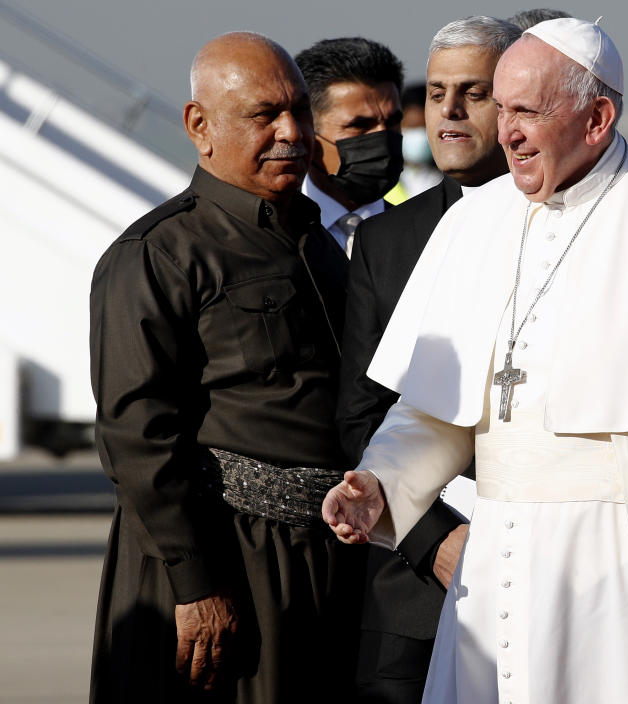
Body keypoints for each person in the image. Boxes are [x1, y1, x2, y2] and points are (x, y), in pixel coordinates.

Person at [325, 18, 628, 704]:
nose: (507, 131)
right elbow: (434, 410)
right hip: (499, 562)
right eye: (503, 108)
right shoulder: (471, 223)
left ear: (597, 117)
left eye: (527, 112)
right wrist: (380, 483)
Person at [89, 32, 361, 703]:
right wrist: (197, 584)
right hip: (229, 562)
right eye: (264, 115)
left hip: (327, 561)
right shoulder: (159, 254)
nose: (292, 133)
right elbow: (136, 436)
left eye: (299, 110)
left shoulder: (317, 243)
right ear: (199, 126)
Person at [337, 16, 520, 703]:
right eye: (438, 91)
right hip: (413, 586)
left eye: (472, 92)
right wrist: (433, 538)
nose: (446, 110)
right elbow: (360, 414)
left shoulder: (586, 230)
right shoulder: (387, 241)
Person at [295, 37, 405, 257]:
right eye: (360, 125)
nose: (382, 137)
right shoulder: (274, 237)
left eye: (392, 122)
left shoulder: (430, 235)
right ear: (307, 132)